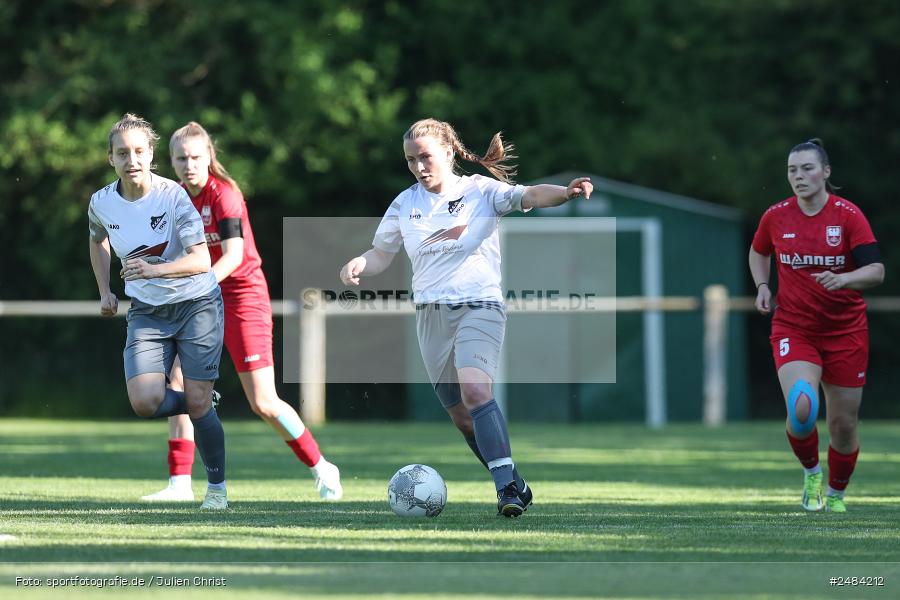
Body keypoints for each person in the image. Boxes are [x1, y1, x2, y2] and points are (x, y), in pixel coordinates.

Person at [339, 118, 592, 517]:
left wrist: (564, 192)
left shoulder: (480, 191)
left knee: (476, 392)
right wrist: (359, 263)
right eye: (410, 160)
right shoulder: (405, 204)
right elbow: (382, 253)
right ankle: (517, 482)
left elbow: (530, 195)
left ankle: (505, 488)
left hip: (480, 306)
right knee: (461, 417)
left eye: (425, 157)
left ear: (449, 152)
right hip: (431, 316)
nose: (419, 167)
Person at [139, 121, 342, 503]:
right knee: (178, 383)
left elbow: (233, 256)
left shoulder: (225, 195)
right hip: (202, 299)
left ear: (209, 157)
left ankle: (321, 466)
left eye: (196, 157)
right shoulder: (175, 199)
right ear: (171, 161)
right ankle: (180, 484)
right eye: (180, 158)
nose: (188, 164)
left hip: (242, 296)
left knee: (262, 401)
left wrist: (197, 285)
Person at [88, 113, 229, 509]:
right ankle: (203, 401)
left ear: (151, 154)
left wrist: (154, 269)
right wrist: (105, 291)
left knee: (196, 401)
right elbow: (97, 239)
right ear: (110, 159)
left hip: (196, 304)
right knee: (144, 402)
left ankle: (216, 490)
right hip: (148, 310)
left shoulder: (172, 196)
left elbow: (201, 260)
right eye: (122, 153)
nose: (131, 159)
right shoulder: (101, 202)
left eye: (138, 151)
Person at [749, 138, 884, 513]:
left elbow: (877, 270)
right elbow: (759, 250)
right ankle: (811, 473)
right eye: (792, 170)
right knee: (803, 407)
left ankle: (837, 492)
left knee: (843, 424)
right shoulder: (776, 215)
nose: (799, 176)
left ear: (825, 172)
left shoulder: (848, 216)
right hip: (795, 328)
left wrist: (844, 279)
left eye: (807, 168)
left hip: (846, 331)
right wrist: (763, 285)